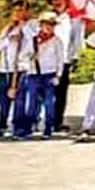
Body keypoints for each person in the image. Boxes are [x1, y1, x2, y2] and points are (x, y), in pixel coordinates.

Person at [17, 12, 64, 140]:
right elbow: (23, 56)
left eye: (52, 25)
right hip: (34, 75)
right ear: (41, 25)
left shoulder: (57, 41)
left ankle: (48, 128)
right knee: (31, 103)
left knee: (49, 103)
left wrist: (58, 76)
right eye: (47, 24)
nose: (49, 27)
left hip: (49, 75)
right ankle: (28, 128)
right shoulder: (32, 40)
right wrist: (29, 60)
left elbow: (60, 59)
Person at [0, 1, 33, 137]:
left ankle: (18, 126)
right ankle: (1, 124)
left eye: (21, 10)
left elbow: (30, 48)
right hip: (5, 69)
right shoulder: (8, 28)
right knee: (3, 100)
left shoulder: (29, 28)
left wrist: (22, 33)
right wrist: (9, 39)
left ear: (26, 12)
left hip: (20, 69)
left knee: (20, 100)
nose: (18, 13)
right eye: (16, 10)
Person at [45, 0, 84, 133]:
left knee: (60, 93)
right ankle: (44, 120)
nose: (58, 2)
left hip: (64, 61)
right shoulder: (46, 17)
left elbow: (77, 40)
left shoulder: (73, 19)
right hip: (46, 60)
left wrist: (75, 58)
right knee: (46, 92)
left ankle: (57, 122)